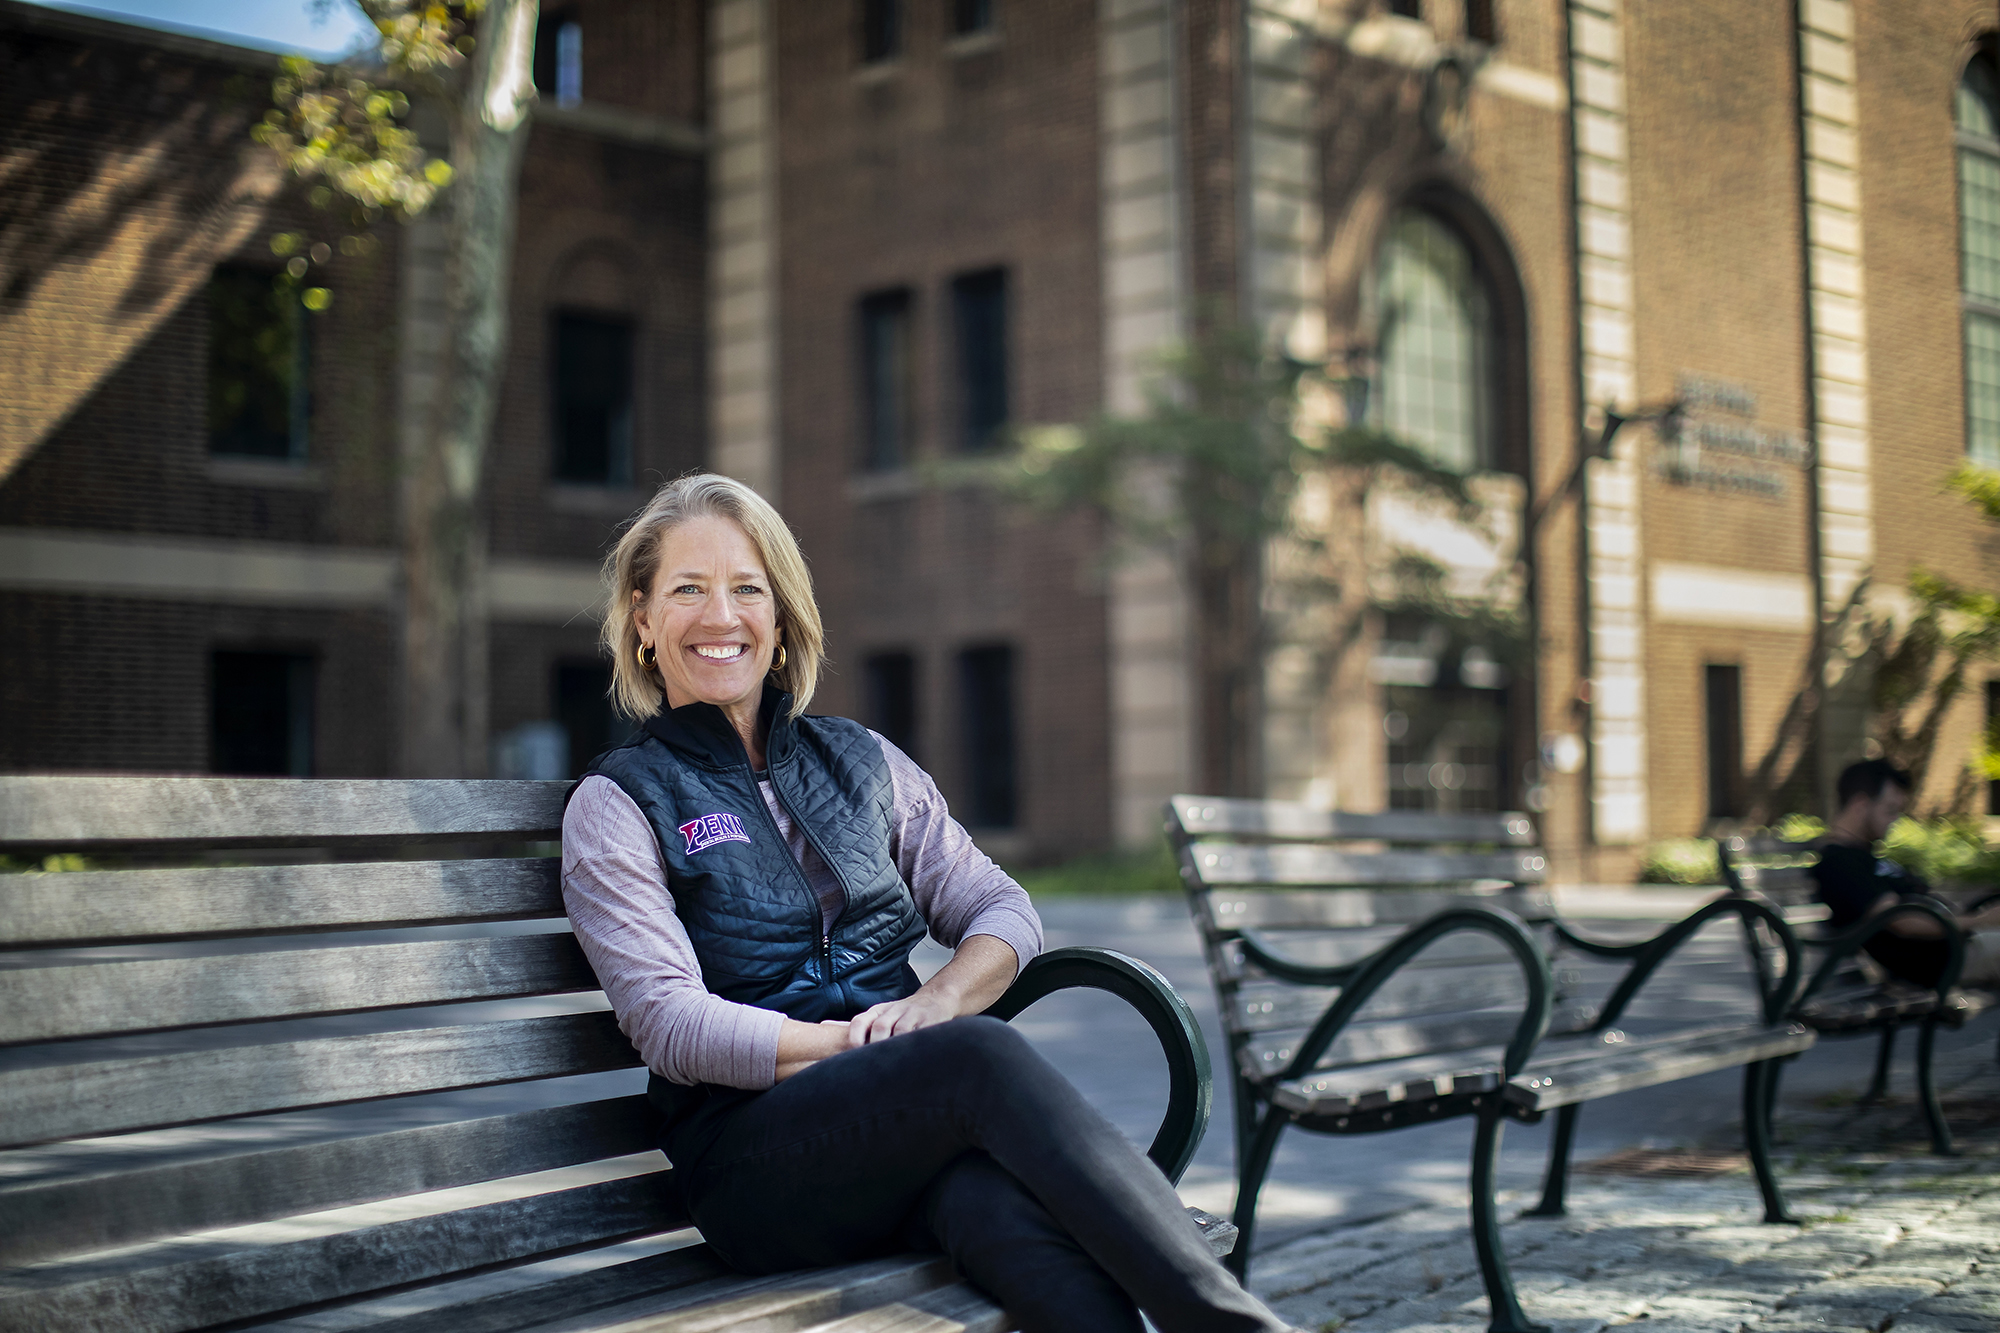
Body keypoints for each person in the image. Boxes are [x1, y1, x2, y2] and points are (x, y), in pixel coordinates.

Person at [561, 474, 1294, 1333]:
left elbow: (1002, 906)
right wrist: (852, 1043)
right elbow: (668, 1023)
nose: (721, 615)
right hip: (753, 1161)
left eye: (746, 588)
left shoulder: (862, 763)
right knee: (973, 1058)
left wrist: (936, 1001)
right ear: (643, 620)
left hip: (898, 1125)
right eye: (688, 588)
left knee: (1004, 1216)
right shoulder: (621, 802)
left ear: (783, 618)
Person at [1811, 758, 2000, 988]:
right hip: (1943, 960)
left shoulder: (1864, 856)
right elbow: (1903, 922)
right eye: (1890, 810)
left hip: (1957, 947)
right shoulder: (1841, 862)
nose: (1896, 820)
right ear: (1860, 805)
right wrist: (1982, 920)